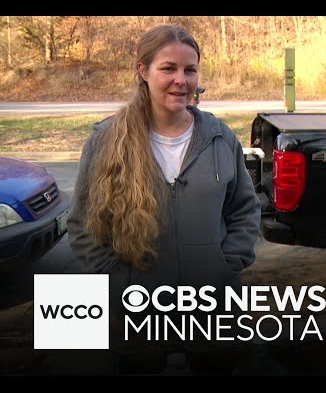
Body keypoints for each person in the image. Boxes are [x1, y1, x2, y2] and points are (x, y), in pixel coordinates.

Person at [67, 25, 261, 353]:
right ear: (143, 70)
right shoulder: (106, 140)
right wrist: (118, 285)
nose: (181, 81)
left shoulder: (219, 138)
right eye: (168, 68)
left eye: (190, 70)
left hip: (213, 311)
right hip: (137, 315)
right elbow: (83, 225)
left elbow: (244, 209)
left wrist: (226, 266)